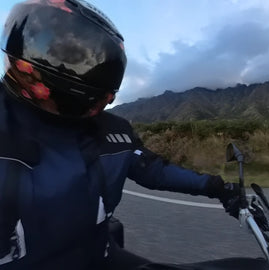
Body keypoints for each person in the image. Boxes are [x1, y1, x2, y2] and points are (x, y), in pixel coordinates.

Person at [0, 0, 239, 269]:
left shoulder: (114, 131)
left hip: (99, 256)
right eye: (68, 53)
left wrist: (216, 186)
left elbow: (153, 169)